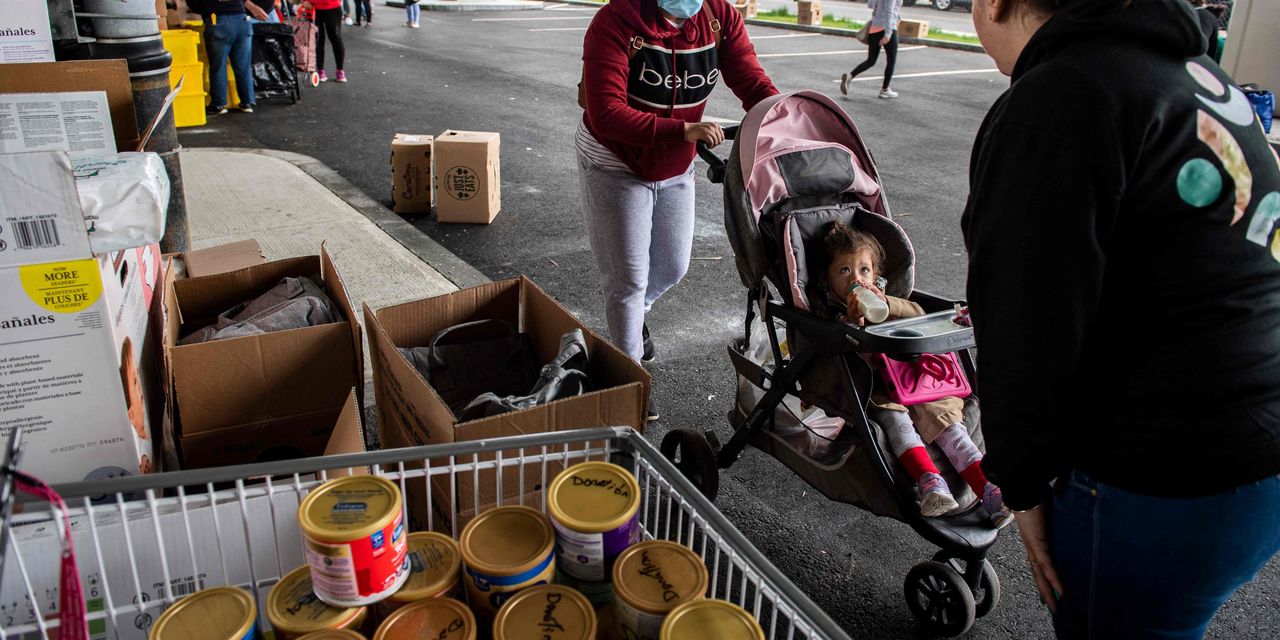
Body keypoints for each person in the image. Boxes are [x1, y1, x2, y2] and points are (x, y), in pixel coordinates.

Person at [961, 0, 1280, 636]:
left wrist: (1019, 486)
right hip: (1258, 455)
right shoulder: (1194, 76)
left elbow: (1027, 325)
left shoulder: (1061, 97)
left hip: (1163, 474)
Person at [578, 0, 778, 420]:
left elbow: (751, 80)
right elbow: (607, 113)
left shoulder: (718, 18)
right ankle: (628, 384)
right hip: (616, 160)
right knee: (627, 281)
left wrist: (783, 117)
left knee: (672, 266)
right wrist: (684, 129)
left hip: (675, 160)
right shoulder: (616, 21)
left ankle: (634, 318)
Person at [821, 222, 1011, 527]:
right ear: (828, 281)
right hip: (880, 388)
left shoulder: (887, 299)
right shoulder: (834, 314)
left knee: (948, 425)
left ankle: (988, 489)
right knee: (897, 423)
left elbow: (918, 314)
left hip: (917, 380)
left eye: (865, 270)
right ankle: (930, 482)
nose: (857, 279)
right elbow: (842, 349)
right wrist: (853, 322)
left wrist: (887, 303)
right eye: (844, 271)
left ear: (877, 274)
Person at [193, 0, 267, 115]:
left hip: (218, 22)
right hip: (242, 21)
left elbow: (195, 6)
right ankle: (247, 102)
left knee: (218, 66)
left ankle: (219, 104)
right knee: (243, 67)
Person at [839, 0, 903, 99]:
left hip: (874, 27)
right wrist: (888, 33)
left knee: (871, 60)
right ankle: (885, 90)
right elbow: (889, 10)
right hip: (887, 28)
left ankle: (850, 76)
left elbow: (870, 5)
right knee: (891, 60)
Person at [312, 0, 347, 82]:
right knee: (318, 39)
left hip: (332, 8)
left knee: (336, 38)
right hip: (315, 9)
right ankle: (320, 70)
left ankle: (340, 70)